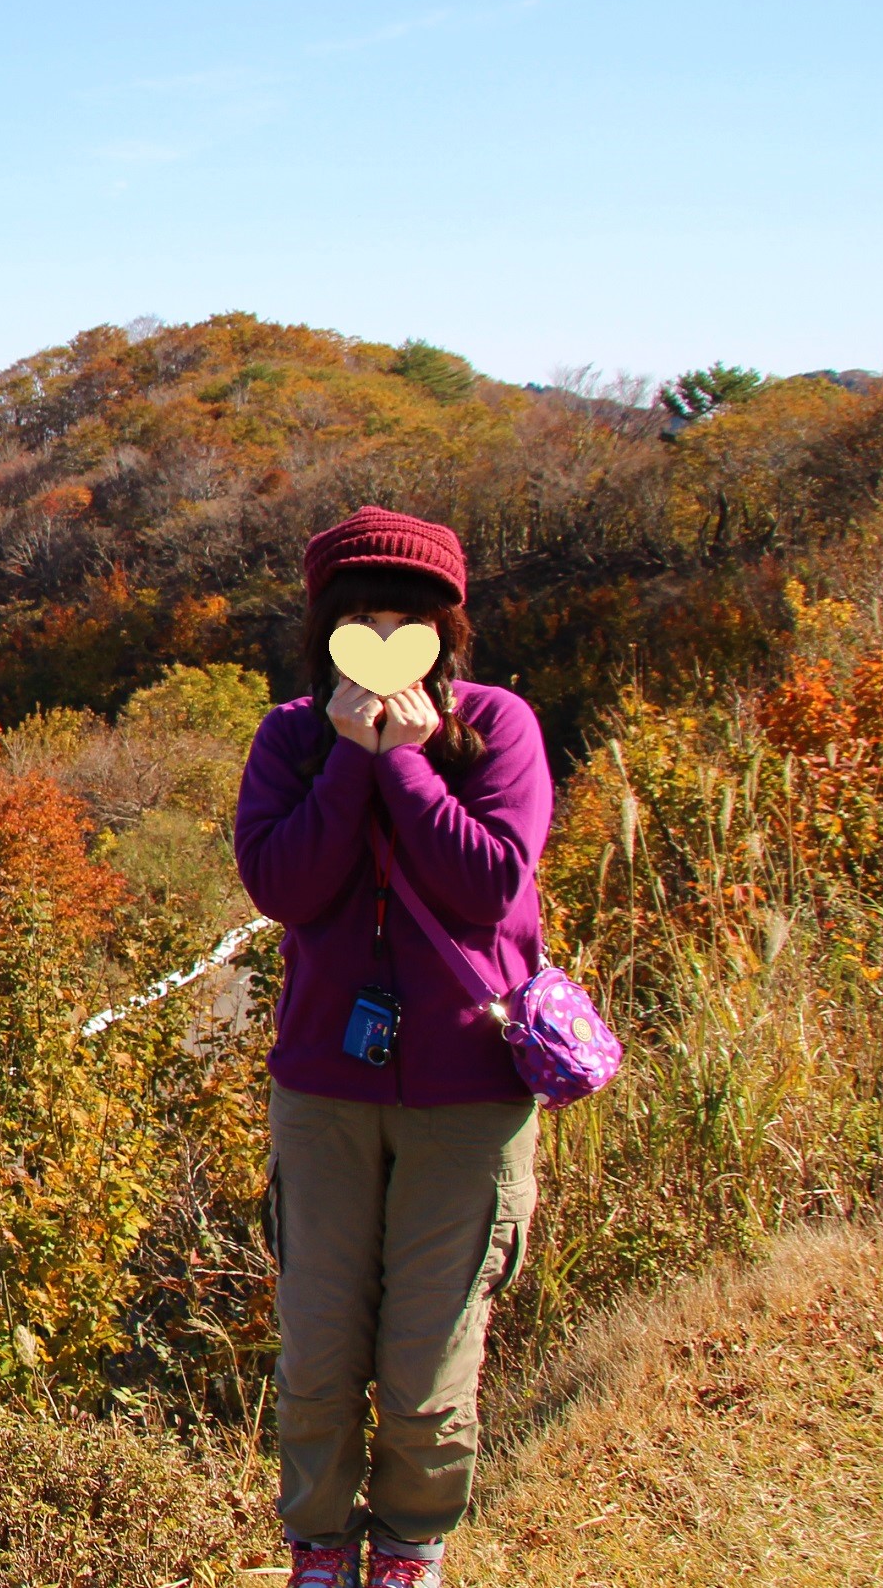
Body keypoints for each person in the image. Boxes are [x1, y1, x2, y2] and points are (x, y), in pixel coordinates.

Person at [233, 507, 553, 1588]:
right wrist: (346, 762)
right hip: (324, 1086)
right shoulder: (290, 736)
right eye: (357, 618)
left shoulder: (498, 726)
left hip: (469, 1091)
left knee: (427, 1359)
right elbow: (284, 885)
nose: (379, 638)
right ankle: (318, 1545)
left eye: (403, 619)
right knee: (318, 1348)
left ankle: (410, 1545)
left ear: (444, 628)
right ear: (324, 628)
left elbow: (490, 884)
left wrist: (409, 766)